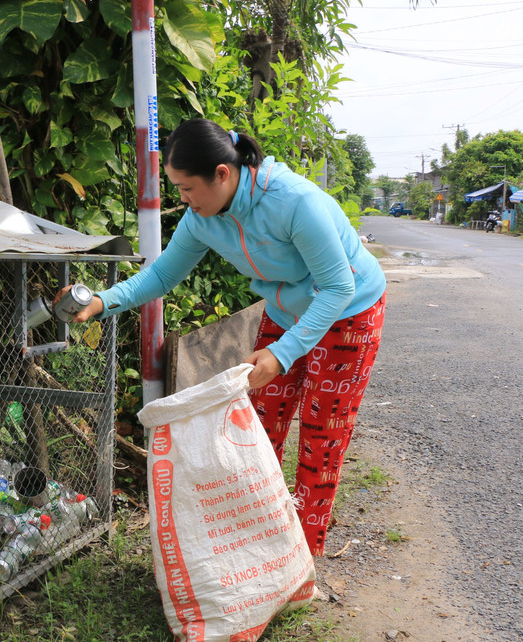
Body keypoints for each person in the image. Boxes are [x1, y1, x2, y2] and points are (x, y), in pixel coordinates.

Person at [62, 118, 387, 556]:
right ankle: (260, 545)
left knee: (320, 438)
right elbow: (160, 276)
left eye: (187, 187)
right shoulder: (202, 219)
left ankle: (301, 560)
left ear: (222, 173)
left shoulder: (294, 202)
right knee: (256, 428)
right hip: (285, 310)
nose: (183, 199)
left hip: (348, 311)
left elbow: (337, 287)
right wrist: (101, 301)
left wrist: (283, 352)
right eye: (176, 188)